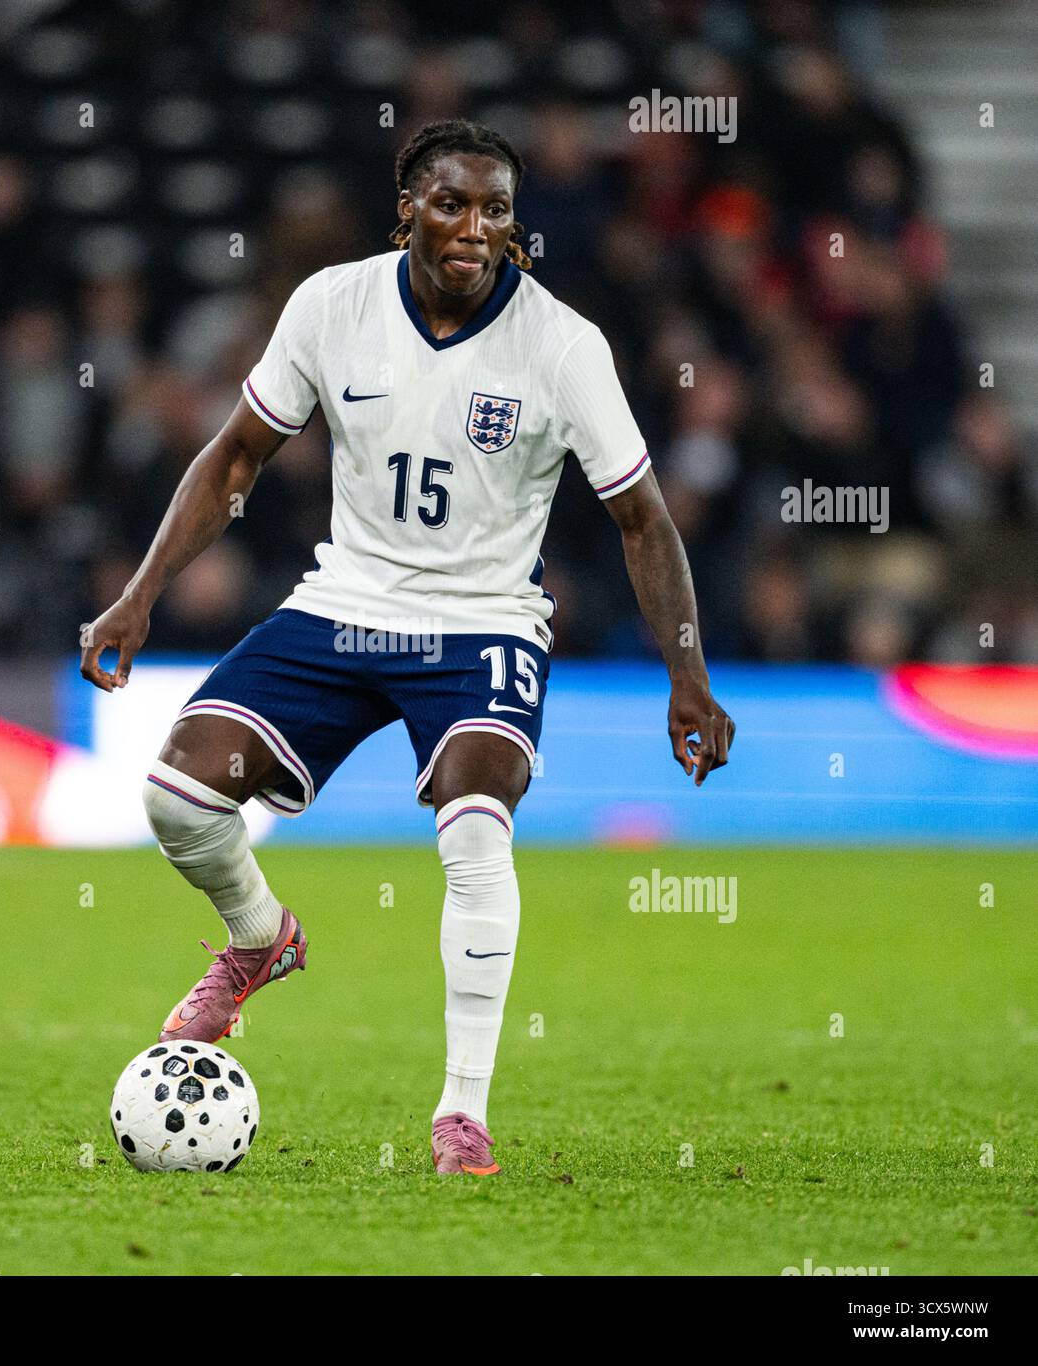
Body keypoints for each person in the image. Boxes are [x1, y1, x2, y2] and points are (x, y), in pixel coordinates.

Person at [80, 119, 734, 1177]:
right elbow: (237, 453)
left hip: (483, 623)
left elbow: (643, 520)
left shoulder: (562, 346)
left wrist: (688, 676)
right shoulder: (331, 306)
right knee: (174, 797)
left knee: (476, 831)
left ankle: (460, 1114)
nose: (475, 229)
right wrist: (139, 595)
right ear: (409, 211)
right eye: (451, 205)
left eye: (495, 211)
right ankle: (259, 939)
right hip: (345, 601)